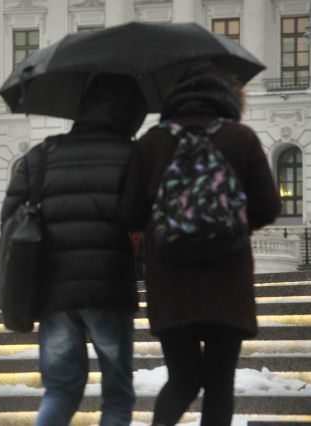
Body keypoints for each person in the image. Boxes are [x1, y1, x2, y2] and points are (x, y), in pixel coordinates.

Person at [120, 64, 281, 425]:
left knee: (183, 380)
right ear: (228, 97)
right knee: (220, 384)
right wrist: (229, 224)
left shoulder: (152, 142)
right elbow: (269, 207)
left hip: (170, 284)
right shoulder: (241, 138)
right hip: (228, 281)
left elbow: (129, 214)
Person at [0, 74, 147, 426]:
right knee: (117, 391)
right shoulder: (132, 156)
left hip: (55, 292)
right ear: (130, 115)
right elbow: (142, 218)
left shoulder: (43, 155)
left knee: (61, 390)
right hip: (110, 288)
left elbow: (11, 218)